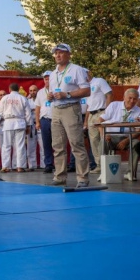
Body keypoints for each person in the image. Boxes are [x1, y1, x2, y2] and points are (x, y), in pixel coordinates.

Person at [48, 44, 91, 188]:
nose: (58, 55)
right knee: (57, 146)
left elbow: (86, 90)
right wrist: (50, 96)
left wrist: (67, 94)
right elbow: (53, 91)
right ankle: (60, 177)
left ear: (69, 54)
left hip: (71, 108)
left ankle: (83, 178)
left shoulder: (76, 69)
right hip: (56, 109)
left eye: (61, 52)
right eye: (56, 53)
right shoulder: (53, 73)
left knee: (76, 144)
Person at [97, 89, 140, 181]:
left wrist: (127, 140)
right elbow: (100, 120)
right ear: (124, 97)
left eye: (134, 99)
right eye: (130, 98)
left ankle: (130, 172)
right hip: (111, 136)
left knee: (137, 144)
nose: (132, 101)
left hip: (128, 137)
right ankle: (104, 172)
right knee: (103, 143)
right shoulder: (114, 105)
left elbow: (139, 131)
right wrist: (104, 135)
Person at [0, 83, 33, 172]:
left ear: (9, 89)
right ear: (18, 89)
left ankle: (5, 166)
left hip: (8, 123)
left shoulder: (5, 98)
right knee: (20, 145)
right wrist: (28, 125)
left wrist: (6, 114)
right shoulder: (23, 98)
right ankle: (20, 166)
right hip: (20, 122)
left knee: (6, 145)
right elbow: (28, 113)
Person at [84, 70, 113, 175]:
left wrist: (107, 112)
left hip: (101, 112)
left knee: (103, 139)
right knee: (93, 142)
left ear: (89, 72)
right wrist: (85, 121)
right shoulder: (84, 87)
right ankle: (99, 165)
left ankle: (107, 164)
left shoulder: (99, 81)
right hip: (91, 115)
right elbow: (89, 105)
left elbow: (109, 95)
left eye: (84, 73)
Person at [34, 72, 54, 173]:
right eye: (45, 79)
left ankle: (59, 165)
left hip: (55, 119)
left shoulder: (57, 90)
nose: (47, 81)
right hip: (44, 119)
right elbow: (37, 108)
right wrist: (37, 122)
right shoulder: (40, 92)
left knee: (58, 143)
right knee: (46, 143)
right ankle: (48, 164)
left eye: (49, 79)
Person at [25, 85, 41, 170]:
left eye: (34, 90)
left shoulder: (41, 99)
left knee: (43, 145)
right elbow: (25, 112)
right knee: (30, 146)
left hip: (40, 124)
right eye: (30, 90)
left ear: (37, 91)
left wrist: (34, 110)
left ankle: (44, 165)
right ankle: (32, 165)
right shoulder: (27, 100)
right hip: (31, 125)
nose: (32, 92)